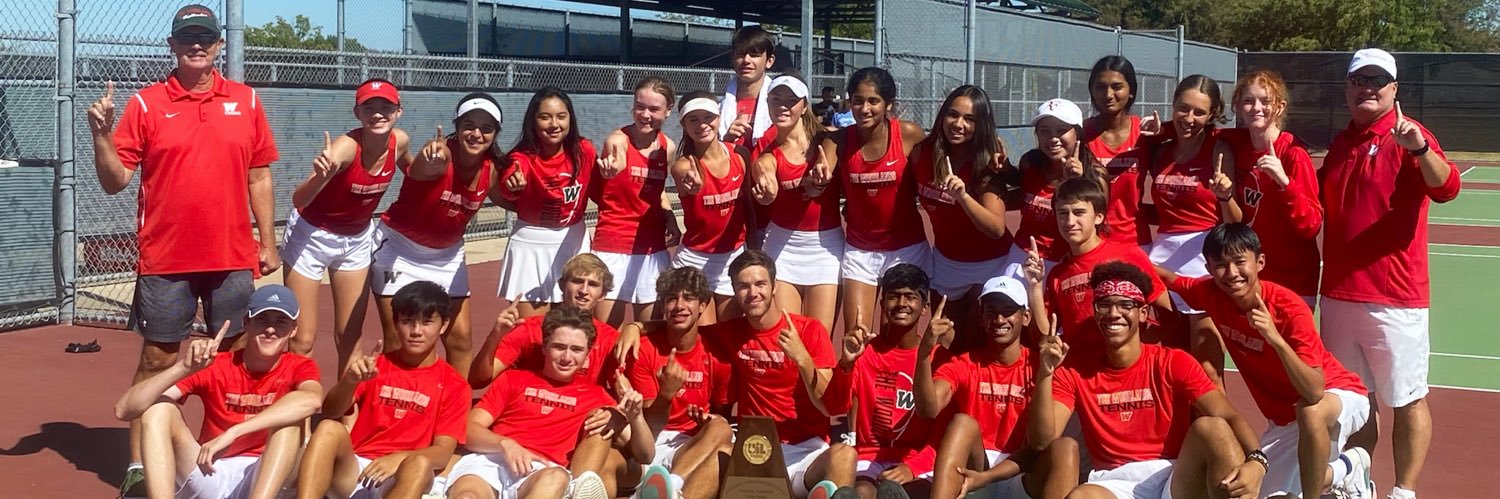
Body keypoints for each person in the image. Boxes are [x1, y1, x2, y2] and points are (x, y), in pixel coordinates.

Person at [86, 6, 281, 493]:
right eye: (187, 38)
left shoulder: (247, 100)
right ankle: (139, 466)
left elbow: (259, 174)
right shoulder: (146, 105)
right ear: (172, 45)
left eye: (206, 38)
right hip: (166, 259)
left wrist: (269, 241)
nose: (197, 45)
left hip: (233, 256)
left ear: (219, 45)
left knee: (235, 357)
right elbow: (115, 182)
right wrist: (101, 136)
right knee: (158, 359)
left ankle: (226, 453)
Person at [1320, 48, 1461, 499]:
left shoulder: (1411, 137)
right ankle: (1357, 481)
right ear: (1347, 88)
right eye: (1360, 80)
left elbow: (1447, 188)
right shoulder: (1341, 144)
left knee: (1407, 399)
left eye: (1379, 81)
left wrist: (1418, 148)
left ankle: (1404, 491)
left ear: (1394, 90)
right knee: (1355, 404)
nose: (1369, 88)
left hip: (1395, 299)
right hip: (1339, 295)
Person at [1161, 223, 1374, 498]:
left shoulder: (1290, 309)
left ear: (1259, 262)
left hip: (1337, 395)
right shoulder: (1210, 293)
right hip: (1285, 420)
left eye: (1240, 262)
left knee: (1310, 413)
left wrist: (1275, 339)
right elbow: (1166, 277)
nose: (1232, 273)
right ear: (1209, 268)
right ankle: (1348, 469)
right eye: (1221, 265)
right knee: (1258, 491)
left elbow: (1314, 391)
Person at [1029, 262, 1267, 499]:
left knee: (1213, 428)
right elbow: (1042, 441)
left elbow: (1228, 416)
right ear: (1095, 311)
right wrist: (1045, 374)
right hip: (1113, 483)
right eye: (1104, 304)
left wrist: (1257, 460)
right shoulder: (1074, 372)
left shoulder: (1173, 361)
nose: (1114, 314)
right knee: (1081, 497)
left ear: (1143, 313)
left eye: (1125, 305)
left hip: (1173, 476)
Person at [113, 285, 320, 499]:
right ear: (246, 323)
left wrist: (235, 432)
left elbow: (312, 400)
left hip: (267, 476)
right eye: (262, 319)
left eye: (281, 322)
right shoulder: (216, 364)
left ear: (293, 329)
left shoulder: (299, 366)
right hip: (212, 470)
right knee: (157, 410)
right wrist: (183, 368)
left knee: (289, 423)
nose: (270, 329)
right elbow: (124, 410)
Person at [446, 307, 650, 499]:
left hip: (543, 471)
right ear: (544, 347)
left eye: (576, 350)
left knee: (557, 478)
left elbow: (646, 454)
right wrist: (504, 444)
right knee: (467, 496)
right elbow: (470, 430)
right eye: (559, 347)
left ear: (587, 354)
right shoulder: (513, 379)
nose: (567, 357)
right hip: (493, 461)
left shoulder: (597, 397)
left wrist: (636, 417)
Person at [370, 92, 504, 379]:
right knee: (400, 339)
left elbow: (513, 198)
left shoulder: (491, 171)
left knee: (460, 339)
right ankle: (396, 405)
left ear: (495, 134)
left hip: (447, 256)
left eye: (486, 128)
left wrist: (519, 182)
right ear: (456, 126)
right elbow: (419, 169)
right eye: (469, 124)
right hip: (400, 250)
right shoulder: (440, 155)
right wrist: (428, 160)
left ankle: (454, 411)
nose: (476, 133)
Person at [702, 250, 857, 497]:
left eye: (760, 284)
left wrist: (802, 357)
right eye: (743, 286)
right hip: (755, 448)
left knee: (845, 455)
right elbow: (681, 329)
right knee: (717, 451)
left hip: (807, 451)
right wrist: (638, 326)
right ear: (734, 291)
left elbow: (832, 406)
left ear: (774, 287)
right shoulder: (731, 332)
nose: (753, 293)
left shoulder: (808, 330)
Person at [296, 281, 471, 499]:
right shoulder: (374, 366)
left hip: (401, 474)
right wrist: (349, 381)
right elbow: (331, 410)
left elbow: (443, 452)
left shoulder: (454, 384)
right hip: (357, 469)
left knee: (420, 464)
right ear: (396, 324)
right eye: (408, 321)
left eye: (427, 322)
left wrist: (398, 458)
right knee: (328, 428)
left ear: (443, 326)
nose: (416, 331)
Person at [284, 78, 408, 371]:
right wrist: (321, 177)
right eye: (369, 108)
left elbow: (415, 173)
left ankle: (344, 413)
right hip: (312, 235)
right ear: (357, 113)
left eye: (386, 107)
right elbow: (299, 199)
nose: (378, 114)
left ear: (398, 111)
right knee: (302, 339)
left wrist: (437, 165)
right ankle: (297, 412)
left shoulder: (400, 142)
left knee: (351, 336)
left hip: (356, 239)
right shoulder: (346, 148)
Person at [916, 276, 1079, 499]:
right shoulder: (964, 363)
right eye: (992, 311)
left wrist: (1044, 374)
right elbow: (928, 409)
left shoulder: (1043, 363)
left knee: (1066, 448)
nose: (1000, 319)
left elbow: (1040, 443)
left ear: (1026, 316)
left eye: (1009, 310)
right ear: (982, 317)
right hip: (974, 470)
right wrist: (924, 355)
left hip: (1023, 473)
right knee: (962, 423)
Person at [818, 67, 929, 345]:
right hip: (860, 251)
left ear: (888, 104)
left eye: (873, 101)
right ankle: (858, 389)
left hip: (907, 249)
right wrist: (817, 179)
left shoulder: (909, 134)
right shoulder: (839, 140)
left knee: (897, 336)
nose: (864, 108)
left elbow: (937, 167)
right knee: (855, 336)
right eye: (857, 100)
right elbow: (822, 172)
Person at [1144, 75, 1238, 384]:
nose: (1189, 118)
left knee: (1208, 369)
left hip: (1203, 260)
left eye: (1199, 112)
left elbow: (1234, 222)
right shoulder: (1160, 151)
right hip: (1161, 261)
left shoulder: (1218, 149)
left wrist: (1225, 195)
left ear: (1212, 114)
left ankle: (1220, 431)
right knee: (1169, 360)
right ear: (1172, 107)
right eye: (1183, 109)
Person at [824, 264, 944, 497]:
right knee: (859, 493)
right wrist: (846, 364)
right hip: (869, 458)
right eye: (893, 297)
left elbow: (942, 431)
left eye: (910, 297)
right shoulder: (863, 352)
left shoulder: (939, 358)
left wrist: (912, 467)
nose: (901, 304)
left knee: (907, 493)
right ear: (882, 305)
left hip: (917, 462)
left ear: (925, 307)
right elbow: (835, 407)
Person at [625, 267, 735, 499]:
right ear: (663, 306)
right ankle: (665, 487)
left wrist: (705, 420)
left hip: (691, 444)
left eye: (689, 298)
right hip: (649, 443)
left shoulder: (717, 354)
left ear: (703, 306)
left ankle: (671, 486)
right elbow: (650, 425)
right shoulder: (644, 349)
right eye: (672, 299)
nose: (679, 306)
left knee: (723, 431)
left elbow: (721, 411)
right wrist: (666, 394)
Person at [914, 85, 1014, 337]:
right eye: (953, 114)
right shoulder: (921, 154)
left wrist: (963, 197)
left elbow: (996, 228)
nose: (958, 124)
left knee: (984, 340)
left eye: (970, 119)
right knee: (942, 339)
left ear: (981, 125)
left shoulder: (987, 163)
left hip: (993, 263)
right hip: (947, 261)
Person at [1034, 178, 1170, 361]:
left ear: (1099, 216)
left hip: (1123, 371)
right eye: (1062, 213)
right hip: (1081, 374)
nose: (1070, 221)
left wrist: (1134, 346)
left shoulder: (1128, 255)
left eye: (1079, 212)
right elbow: (1046, 335)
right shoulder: (1058, 274)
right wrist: (1033, 286)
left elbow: (1168, 316)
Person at [1217, 71, 1323, 307]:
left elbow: (1311, 225)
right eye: (1248, 101)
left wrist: (1284, 182)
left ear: (1280, 106)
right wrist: (1161, 132)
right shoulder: (1239, 144)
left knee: (1286, 344)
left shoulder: (1294, 154)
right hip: (1251, 278)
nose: (1256, 108)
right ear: (1237, 105)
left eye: (1265, 101)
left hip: (1292, 280)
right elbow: (1198, 130)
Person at [751, 75, 844, 333]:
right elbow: (765, 174)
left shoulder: (832, 140)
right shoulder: (767, 152)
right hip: (783, 248)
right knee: (787, 335)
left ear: (804, 106)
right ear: (767, 105)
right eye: (776, 100)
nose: (783, 106)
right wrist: (767, 191)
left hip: (825, 248)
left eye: (791, 101)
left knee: (819, 337)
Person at [496, 87, 597, 319]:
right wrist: (512, 184)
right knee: (532, 330)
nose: (554, 124)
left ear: (570, 118)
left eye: (561, 116)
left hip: (573, 241)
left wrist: (611, 173)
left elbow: (602, 192)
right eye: (545, 117)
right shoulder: (520, 158)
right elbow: (508, 182)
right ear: (533, 121)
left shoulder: (585, 151)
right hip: (531, 245)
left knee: (575, 326)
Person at [591, 77, 683, 327]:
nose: (645, 115)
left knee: (651, 332)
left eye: (653, 109)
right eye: (639, 106)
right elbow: (614, 165)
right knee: (606, 333)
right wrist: (610, 171)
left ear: (668, 111)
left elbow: (658, 190)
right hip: (614, 245)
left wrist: (670, 218)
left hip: (652, 249)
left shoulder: (668, 147)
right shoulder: (617, 142)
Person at [470, 253, 625, 390]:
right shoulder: (528, 329)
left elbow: (624, 391)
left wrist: (613, 412)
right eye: (577, 281)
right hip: (530, 412)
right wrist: (494, 337)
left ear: (603, 294)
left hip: (584, 416)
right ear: (562, 286)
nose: (583, 291)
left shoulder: (610, 339)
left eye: (593, 284)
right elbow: (478, 381)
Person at [671, 92, 753, 324]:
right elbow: (683, 179)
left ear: (719, 118)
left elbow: (749, 207)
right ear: (684, 125)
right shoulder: (684, 166)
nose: (702, 125)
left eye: (708, 117)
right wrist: (692, 188)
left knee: (729, 333)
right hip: (695, 259)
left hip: (732, 256)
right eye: (693, 119)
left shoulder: (740, 156)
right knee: (703, 337)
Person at [1005, 98, 1106, 283]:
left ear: (1078, 134)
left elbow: (1097, 228)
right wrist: (1003, 169)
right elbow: (1020, 194)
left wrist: (1077, 184)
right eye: (1045, 131)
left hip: (1064, 263)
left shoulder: (1095, 175)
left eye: (1061, 130)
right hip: (1022, 255)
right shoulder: (1030, 163)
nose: (1052, 138)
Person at [1082, 55, 1159, 248]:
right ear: (1092, 90)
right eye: (1100, 87)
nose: (1108, 94)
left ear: (1131, 91)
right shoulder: (1080, 134)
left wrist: (1166, 130)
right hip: (1091, 241)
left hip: (1135, 241)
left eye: (1117, 87)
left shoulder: (1145, 133)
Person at [717, 25, 778, 152]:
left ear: (769, 61)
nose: (746, 60)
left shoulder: (782, 107)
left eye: (754, 55)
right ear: (732, 58)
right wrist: (727, 140)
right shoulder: (717, 109)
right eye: (740, 54)